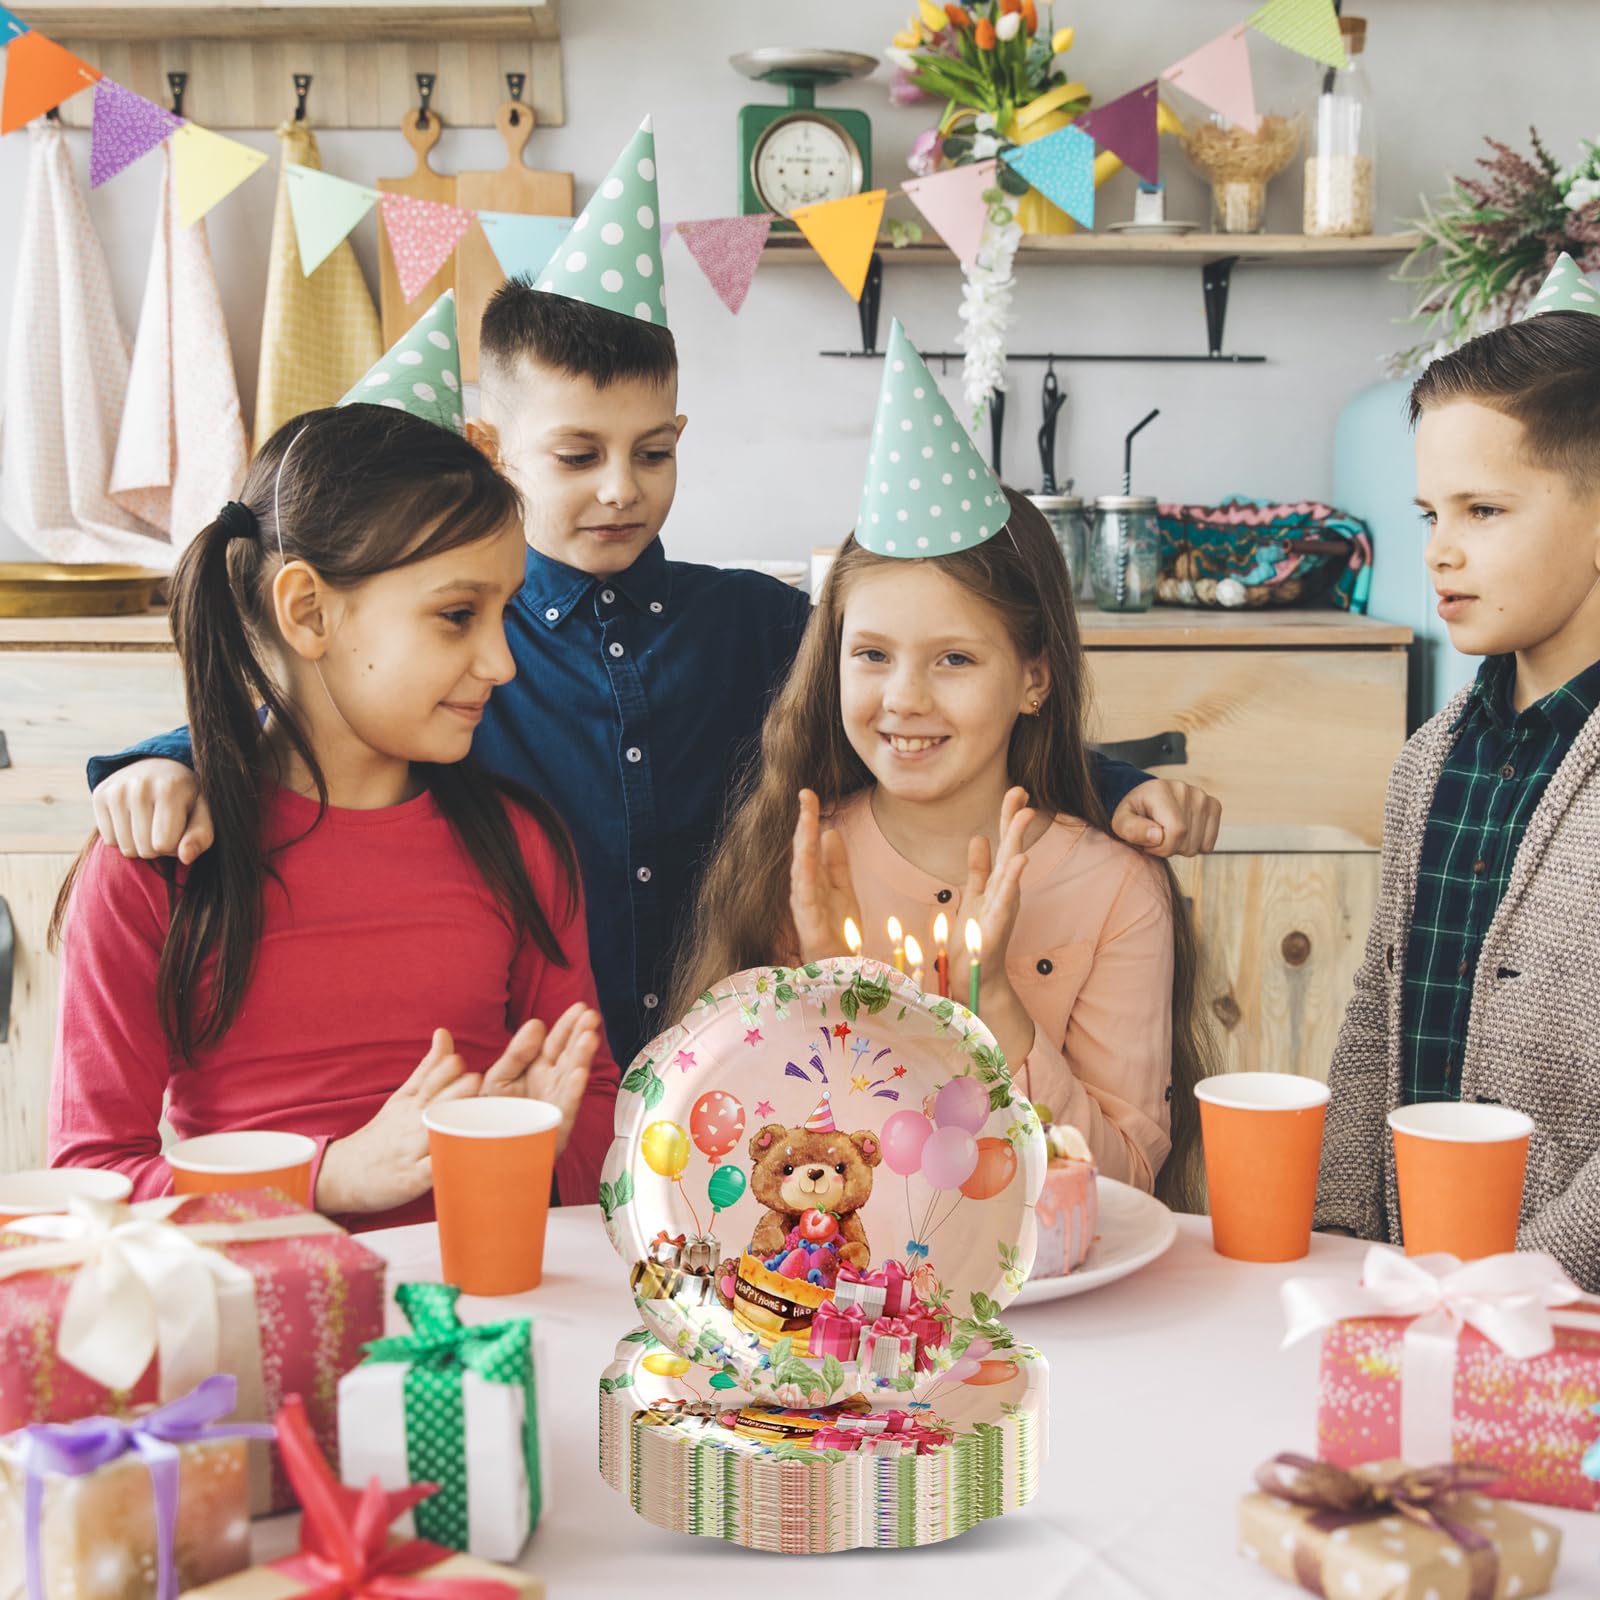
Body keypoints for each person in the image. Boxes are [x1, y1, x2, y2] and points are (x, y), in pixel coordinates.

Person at [81, 118, 1223, 1079]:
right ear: (491, 446)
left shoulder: (759, 624)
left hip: (732, 1088)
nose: (623, 490)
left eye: (655, 450)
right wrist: (161, 761)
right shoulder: (451, 658)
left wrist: (1118, 787)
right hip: (525, 1085)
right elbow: (311, 718)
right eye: (578, 456)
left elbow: (931, 713)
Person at [50, 311, 615, 1226]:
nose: (502, 663)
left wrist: (543, 1149)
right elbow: (93, 1178)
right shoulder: (153, 865)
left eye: (505, 613)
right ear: (309, 611)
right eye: (455, 615)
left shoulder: (521, 844)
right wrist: (330, 1178)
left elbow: (590, 1112)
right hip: (255, 1333)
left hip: (483, 1320)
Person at [672, 323, 1210, 1207]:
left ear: (1033, 679)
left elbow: (1124, 1184)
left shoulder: (1117, 893)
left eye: (954, 660)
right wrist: (823, 990)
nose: (905, 699)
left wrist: (996, 1001)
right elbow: (731, 1166)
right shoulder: (801, 862)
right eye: (872, 654)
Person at [1316, 255, 1600, 1289]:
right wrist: (1339, 1232)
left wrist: (1532, 1277)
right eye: (1430, 514)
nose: (1438, 551)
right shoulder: (1429, 759)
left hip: (1562, 1311)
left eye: (1482, 511)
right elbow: (1376, 1013)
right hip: (1411, 1286)